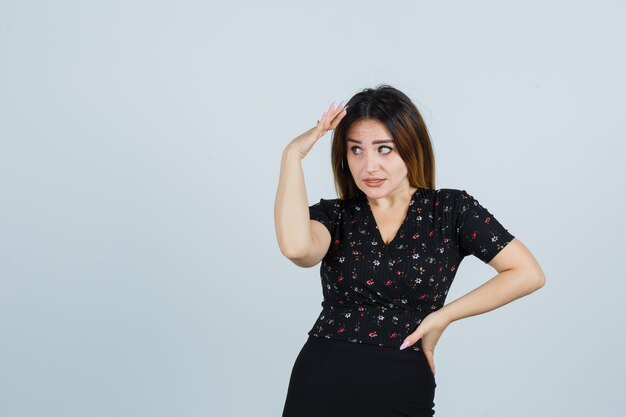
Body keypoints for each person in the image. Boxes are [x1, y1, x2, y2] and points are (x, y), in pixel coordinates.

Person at [274, 85, 546, 417]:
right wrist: (292, 155)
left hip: (404, 383)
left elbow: (528, 273)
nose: (369, 166)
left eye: (383, 149)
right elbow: (296, 248)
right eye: (356, 150)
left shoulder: (450, 210)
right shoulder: (335, 216)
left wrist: (443, 317)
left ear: (409, 146)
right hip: (322, 378)